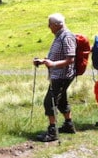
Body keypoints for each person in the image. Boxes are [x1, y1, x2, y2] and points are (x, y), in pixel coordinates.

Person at [33, 13, 77, 142]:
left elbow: (71, 59)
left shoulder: (67, 37)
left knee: (49, 102)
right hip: (57, 75)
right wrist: (43, 61)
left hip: (62, 76)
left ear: (58, 25)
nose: (48, 26)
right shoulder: (59, 36)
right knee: (62, 100)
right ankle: (68, 125)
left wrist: (53, 64)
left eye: (50, 24)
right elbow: (58, 56)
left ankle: (53, 132)